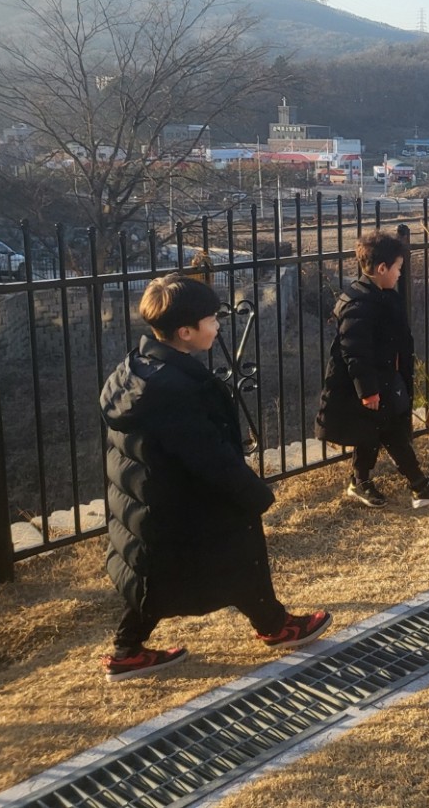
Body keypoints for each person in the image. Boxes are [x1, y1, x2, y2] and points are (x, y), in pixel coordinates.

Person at [99, 274, 330, 682]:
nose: (219, 324)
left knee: (161, 574)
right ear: (186, 332)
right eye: (211, 319)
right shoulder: (175, 391)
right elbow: (208, 456)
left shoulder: (137, 369)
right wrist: (253, 493)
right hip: (184, 502)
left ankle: (127, 650)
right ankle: (275, 627)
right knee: (232, 558)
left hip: (155, 502)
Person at [315, 230, 429, 510]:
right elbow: (355, 352)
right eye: (398, 268)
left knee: (374, 430)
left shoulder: (381, 294)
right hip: (366, 384)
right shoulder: (359, 303)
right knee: (387, 430)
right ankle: (419, 485)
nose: (400, 274)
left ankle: (363, 482)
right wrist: (367, 391)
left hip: (384, 380)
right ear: (381, 269)